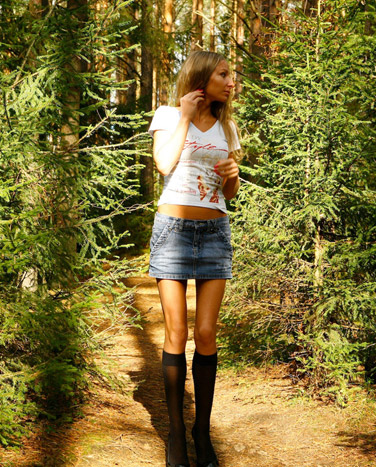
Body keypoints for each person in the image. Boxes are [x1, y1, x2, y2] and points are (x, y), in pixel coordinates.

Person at [147, 50, 240, 467]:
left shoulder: (227, 127)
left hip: (215, 231)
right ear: (203, 77)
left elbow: (228, 193)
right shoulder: (168, 115)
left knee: (205, 333)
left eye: (231, 76)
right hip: (173, 231)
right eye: (224, 74)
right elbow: (164, 164)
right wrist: (185, 116)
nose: (231, 82)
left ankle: (202, 432)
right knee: (176, 331)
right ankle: (176, 435)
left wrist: (233, 178)